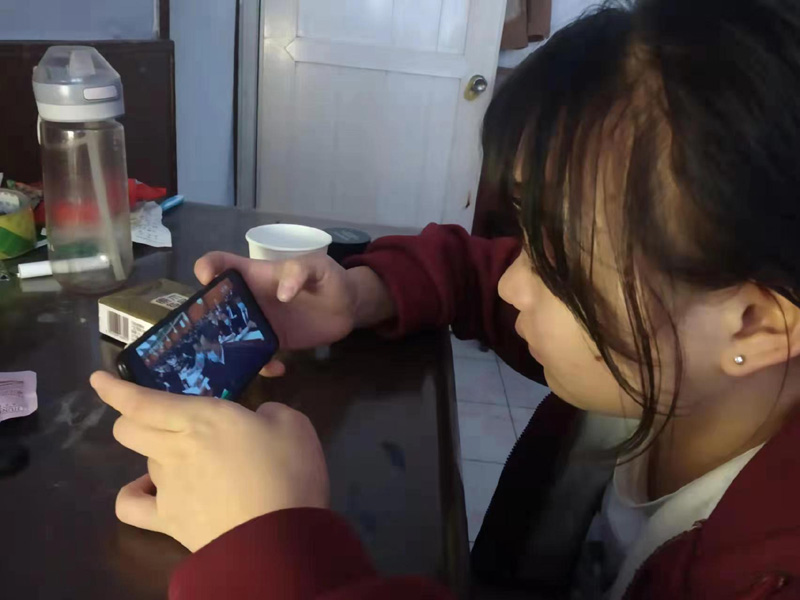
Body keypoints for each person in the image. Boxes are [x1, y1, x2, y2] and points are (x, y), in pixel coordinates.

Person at [90, 0, 800, 598]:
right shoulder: (675, 364)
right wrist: (359, 293)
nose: (514, 282)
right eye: (527, 241)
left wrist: (272, 547)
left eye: (560, 267)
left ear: (756, 323)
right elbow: (475, 273)